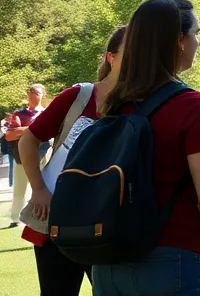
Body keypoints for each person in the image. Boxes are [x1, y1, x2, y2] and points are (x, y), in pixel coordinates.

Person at [91, 0, 200, 296]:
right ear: (179, 40)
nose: (198, 40)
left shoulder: (114, 104)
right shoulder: (190, 105)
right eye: (196, 33)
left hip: (108, 258)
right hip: (171, 255)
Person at [18, 26, 126, 296]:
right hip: (58, 221)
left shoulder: (142, 103)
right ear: (110, 57)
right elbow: (27, 140)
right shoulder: (78, 96)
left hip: (112, 226)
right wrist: (39, 189)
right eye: (131, 52)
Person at [5, 83, 46, 228]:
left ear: (43, 95)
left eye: (37, 92)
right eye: (32, 91)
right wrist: (32, 129)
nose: (34, 94)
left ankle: (40, 215)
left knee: (43, 187)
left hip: (44, 156)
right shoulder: (19, 114)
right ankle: (15, 219)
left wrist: (22, 130)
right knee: (19, 189)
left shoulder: (46, 113)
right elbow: (10, 135)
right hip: (22, 156)